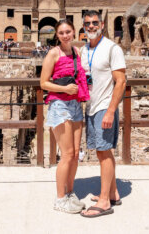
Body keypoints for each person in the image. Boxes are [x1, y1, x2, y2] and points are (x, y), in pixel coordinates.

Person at [40, 19, 90, 214]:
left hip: (76, 104)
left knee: (76, 153)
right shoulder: (53, 53)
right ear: (57, 35)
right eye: (61, 33)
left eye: (68, 31)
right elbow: (43, 83)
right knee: (67, 154)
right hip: (60, 105)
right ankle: (60, 199)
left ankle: (70, 193)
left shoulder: (77, 52)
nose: (65, 35)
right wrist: (64, 88)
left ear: (73, 32)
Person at [80, 10, 126, 218]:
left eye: (95, 23)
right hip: (91, 106)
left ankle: (105, 201)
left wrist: (110, 111)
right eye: (87, 23)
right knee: (102, 151)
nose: (91, 26)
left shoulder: (112, 48)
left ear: (102, 24)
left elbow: (121, 81)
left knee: (104, 153)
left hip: (104, 108)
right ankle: (113, 192)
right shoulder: (83, 50)